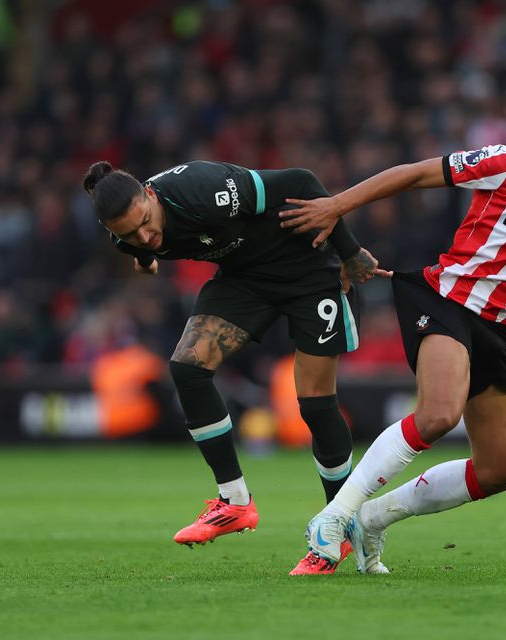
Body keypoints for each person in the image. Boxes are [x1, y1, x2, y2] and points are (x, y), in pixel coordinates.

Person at [280, 77, 506, 574]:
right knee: (437, 413)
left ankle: (372, 517)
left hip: (504, 331)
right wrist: (338, 204)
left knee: (501, 470)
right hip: (447, 301)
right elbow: (414, 175)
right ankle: (334, 518)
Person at [82, 159, 387, 556]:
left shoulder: (204, 189)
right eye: (131, 233)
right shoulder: (127, 237)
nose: (145, 234)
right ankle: (235, 502)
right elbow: (137, 245)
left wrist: (349, 252)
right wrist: (145, 259)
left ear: (150, 194)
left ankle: (341, 521)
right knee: (187, 369)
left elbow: (302, 180)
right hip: (245, 279)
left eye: (145, 221)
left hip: (309, 267)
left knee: (314, 404)